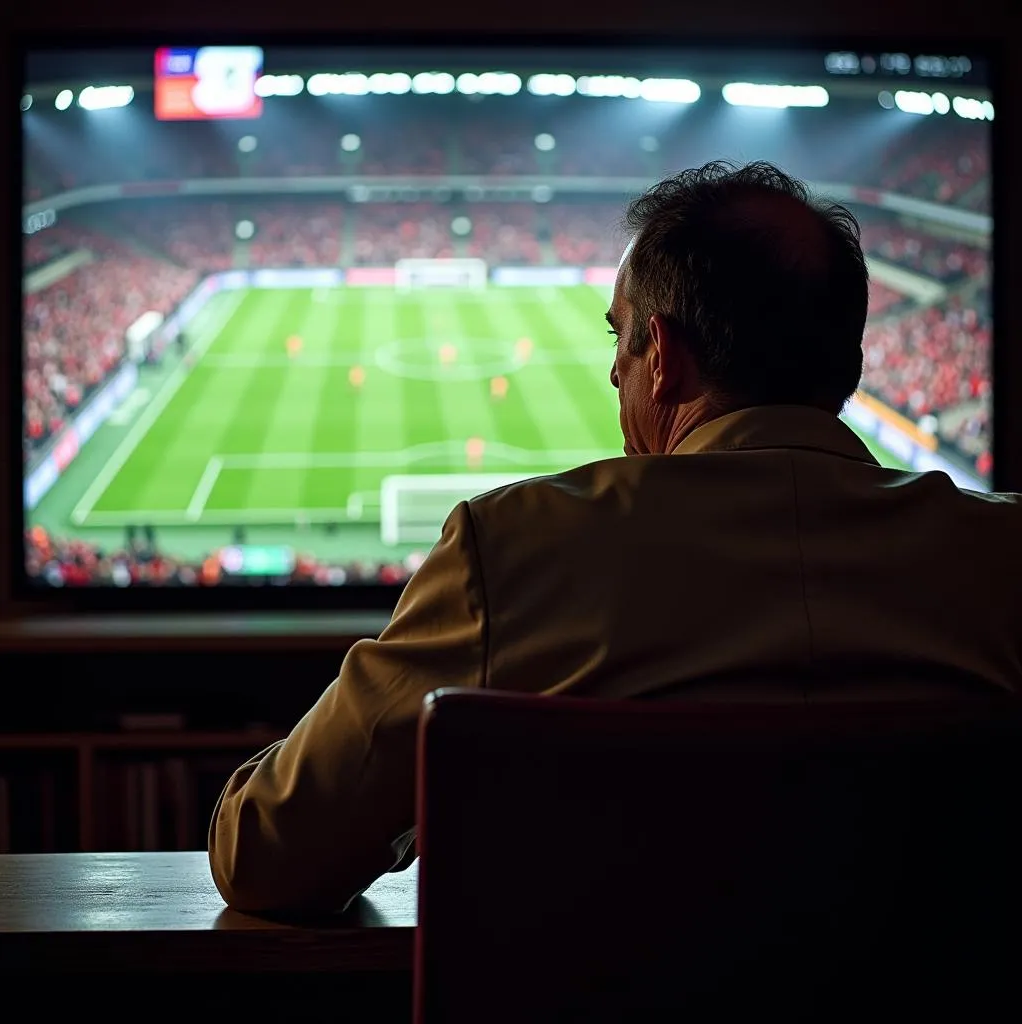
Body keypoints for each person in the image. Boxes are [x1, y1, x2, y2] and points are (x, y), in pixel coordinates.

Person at [208, 160, 1021, 915]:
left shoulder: (515, 551)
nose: (611, 372)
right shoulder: (1003, 556)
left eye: (617, 337)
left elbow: (269, 856)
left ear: (661, 357)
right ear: (847, 361)